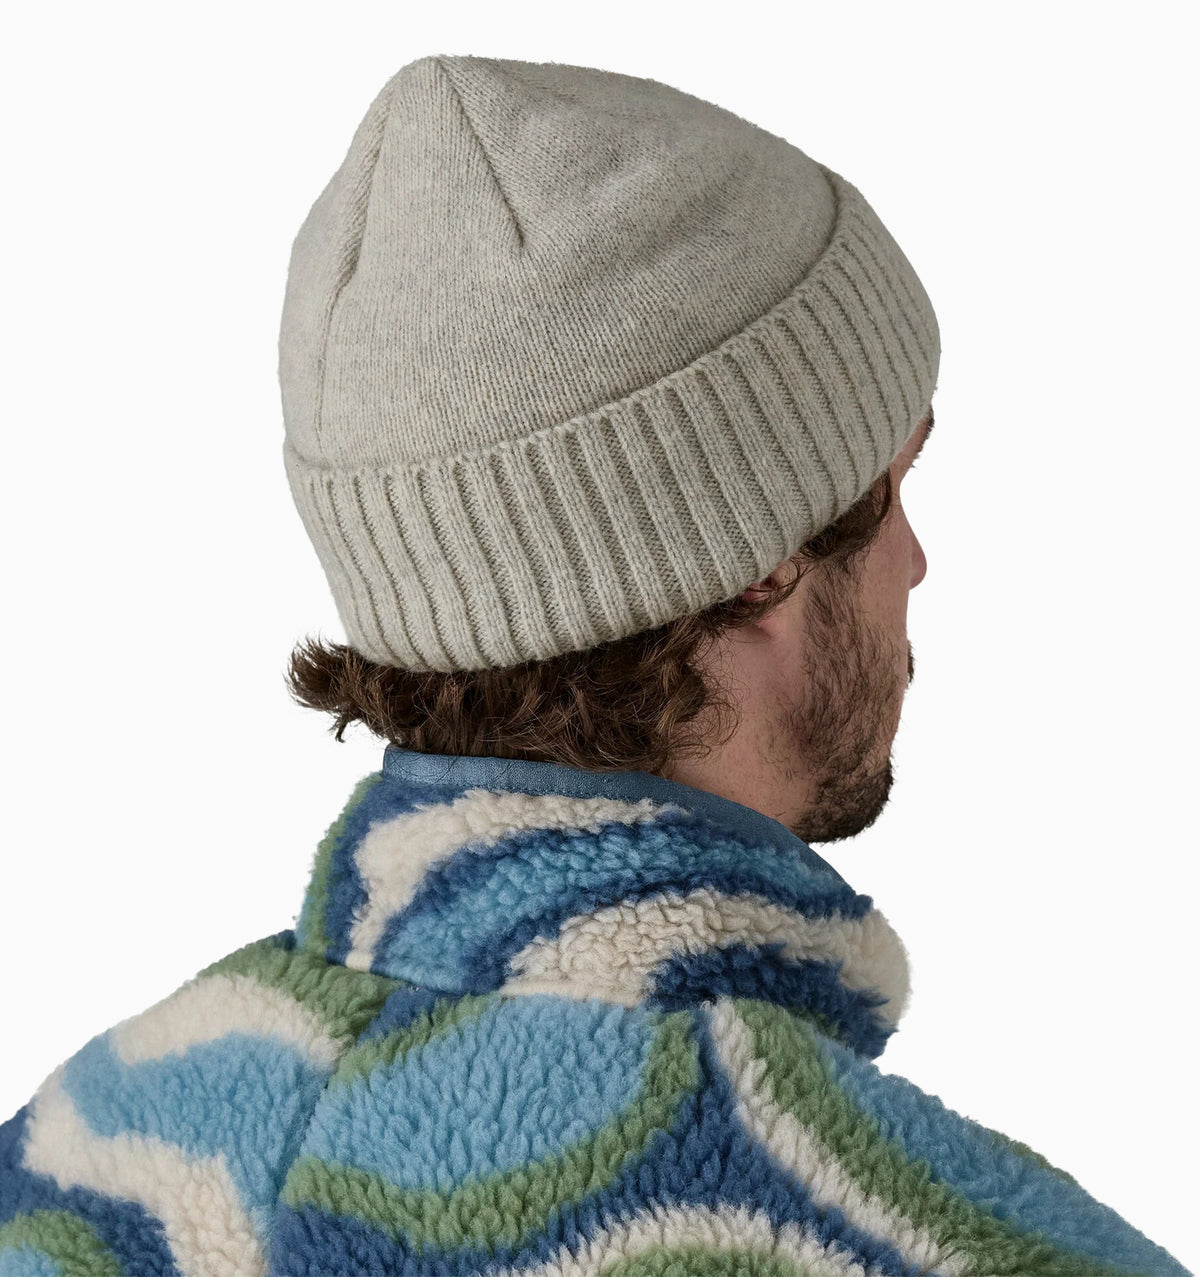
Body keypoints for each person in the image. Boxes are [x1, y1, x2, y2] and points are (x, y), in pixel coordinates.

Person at [0, 53, 1189, 1277]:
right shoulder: (929, 1242)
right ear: (760, 562)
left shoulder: (68, 1165)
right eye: (894, 489)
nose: (917, 561)